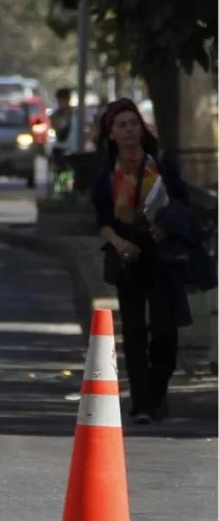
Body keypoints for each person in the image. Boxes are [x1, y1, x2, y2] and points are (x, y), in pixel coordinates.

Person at [91, 98, 190, 425]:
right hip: (127, 256)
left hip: (162, 255)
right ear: (112, 134)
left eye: (134, 123)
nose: (129, 130)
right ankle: (142, 402)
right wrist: (119, 244)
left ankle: (159, 392)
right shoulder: (107, 172)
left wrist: (166, 227)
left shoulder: (161, 163)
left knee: (164, 329)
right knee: (133, 332)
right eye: (121, 125)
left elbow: (182, 203)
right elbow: (102, 219)